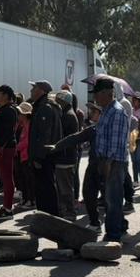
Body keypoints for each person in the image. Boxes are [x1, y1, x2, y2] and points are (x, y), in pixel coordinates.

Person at [91, 77, 130, 241]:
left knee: (112, 199)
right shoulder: (106, 110)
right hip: (105, 160)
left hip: (113, 162)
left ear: (107, 93)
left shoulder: (117, 111)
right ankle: (120, 226)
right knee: (111, 197)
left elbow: (116, 142)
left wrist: (107, 163)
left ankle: (113, 234)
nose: (95, 98)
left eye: (97, 94)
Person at [26, 80, 63, 215]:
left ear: (41, 90)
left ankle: (49, 217)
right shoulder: (43, 105)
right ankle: (46, 216)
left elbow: (44, 135)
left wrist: (38, 158)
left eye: (34, 88)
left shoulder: (45, 107)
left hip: (44, 156)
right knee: (44, 187)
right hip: (46, 155)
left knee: (45, 188)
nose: (31, 90)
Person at [0, 85, 20, 217]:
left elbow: (8, 131)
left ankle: (8, 209)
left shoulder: (9, 110)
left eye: (0, 93)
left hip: (6, 148)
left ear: (6, 96)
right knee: (5, 177)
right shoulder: (2, 109)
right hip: (3, 147)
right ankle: (6, 206)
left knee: (7, 178)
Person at [53, 90, 82, 219]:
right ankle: (65, 210)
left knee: (65, 187)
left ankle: (70, 212)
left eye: (58, 100)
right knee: (62, 187)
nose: (56, 102)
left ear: (63, 101)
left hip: (66, 157)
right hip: (64, 156)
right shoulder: (66, 113)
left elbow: (62, 136)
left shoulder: (68, 116)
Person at [15, 101, 34, 208]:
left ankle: (31, 200)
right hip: (22, 155)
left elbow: (27, 141)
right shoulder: (22, 125)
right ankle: (25, 198)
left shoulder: (29, 125)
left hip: (27, 155)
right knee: (23, 179)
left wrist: (17, 147)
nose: (18, 115)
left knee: (28, 180)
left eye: (20, 113)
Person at [129, 95, 140, 188]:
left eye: (135, 100)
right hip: (132, 137)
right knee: (134, 160)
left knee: (139, 159)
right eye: (133, 100)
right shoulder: (131, 111)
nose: (134, 102)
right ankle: (135, 180)